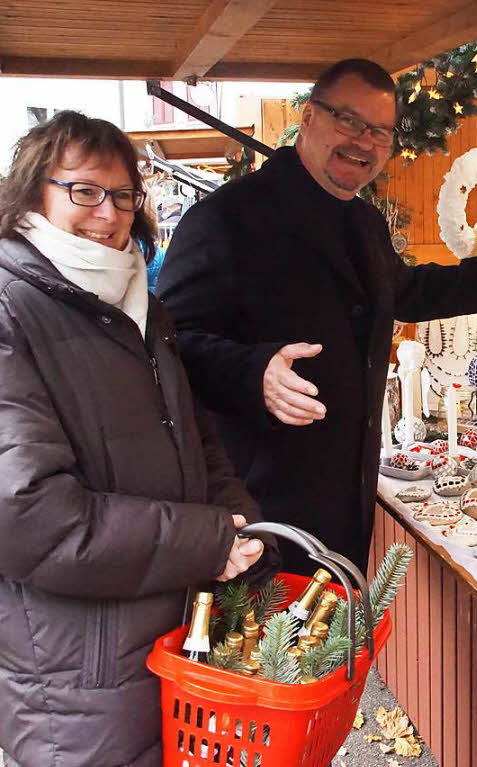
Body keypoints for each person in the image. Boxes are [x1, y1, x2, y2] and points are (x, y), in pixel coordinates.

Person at [157, 59, 477, 573]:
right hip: (257, 511)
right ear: (310, 117)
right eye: (349, 121)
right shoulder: (227, 218)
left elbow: (406, 292)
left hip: (345, 504)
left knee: (339, 650)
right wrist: (252, 372)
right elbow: (171, 342)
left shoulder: (364, 220)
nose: (363, 142)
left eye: (380, 132)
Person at [0, 111, 278, 767]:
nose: (109, 213)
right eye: (84, 191)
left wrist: (244, 524)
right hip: (79, 681)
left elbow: (197, 441)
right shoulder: (11, 309)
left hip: (174, 642)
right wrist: (210, 540)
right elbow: (31, 516)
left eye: (123, 194)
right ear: (34, 189)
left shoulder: (139, 308)